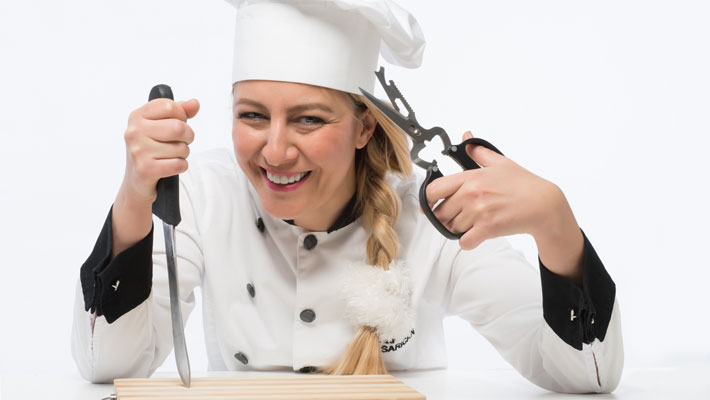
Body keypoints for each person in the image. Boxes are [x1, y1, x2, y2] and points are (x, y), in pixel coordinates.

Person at [71, 0, 623, 393]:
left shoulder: (433, 217)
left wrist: (555, 225)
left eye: (309, 119)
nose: (275, 150)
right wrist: (134, 197)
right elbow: (108, 367)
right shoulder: (202, 195)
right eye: (253, 116)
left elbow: (584, 376)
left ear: (364, 127)